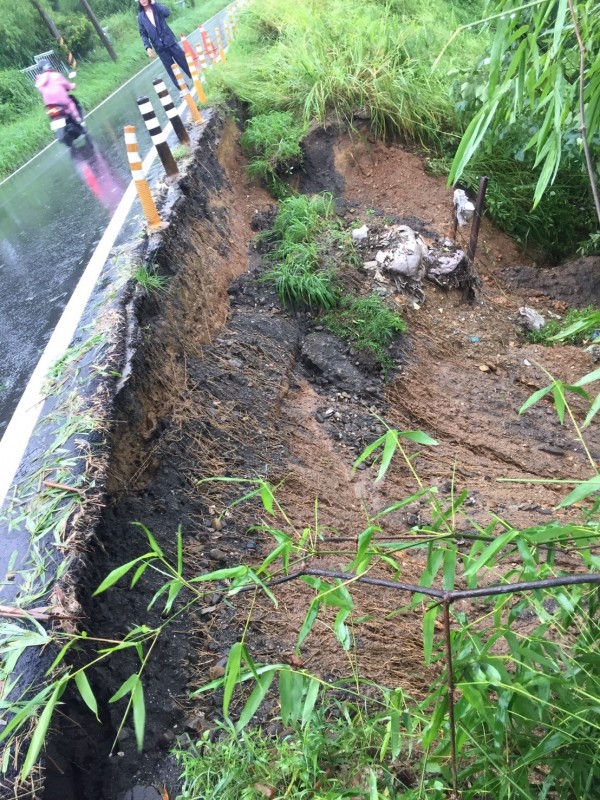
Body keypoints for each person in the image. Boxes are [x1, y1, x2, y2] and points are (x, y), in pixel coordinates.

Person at [137, 0, 193, 91]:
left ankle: (195, 77)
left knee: (183, 60)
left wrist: (155, 3)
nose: (143, 0)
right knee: (171, 69)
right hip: (159, 46)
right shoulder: (140, 16)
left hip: (169, 40)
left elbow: (167, 13)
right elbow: (143, 33)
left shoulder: (156, 7)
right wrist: (148, 47)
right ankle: (183, 88)